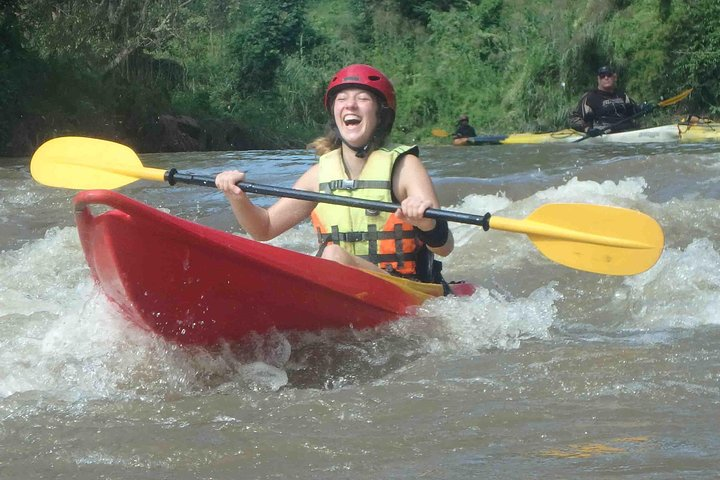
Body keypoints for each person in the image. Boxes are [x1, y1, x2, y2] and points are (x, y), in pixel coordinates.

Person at [215, 64, 454, 286]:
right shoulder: (319, 174)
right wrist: (236, 197)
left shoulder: (405, 167)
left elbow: (445, 247)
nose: (350, 105)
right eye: (342, 99)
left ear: (381, 115)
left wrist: (425, 221)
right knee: (329, 257)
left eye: (362, 98)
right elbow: (264, 229)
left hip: (402, 286)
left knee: (332, 255)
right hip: (339, 279)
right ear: (334, 113)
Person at [569, 65, 645, 137]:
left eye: (609, 75)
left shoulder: (622, 95)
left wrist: (643, 108)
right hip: (604, 134)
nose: (606, 78)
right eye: (602, 76)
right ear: (598, 79)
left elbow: (633, 111)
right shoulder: (590, 97)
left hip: (627, 131)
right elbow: (574, 118)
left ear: (614, 77)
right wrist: (587, 129)